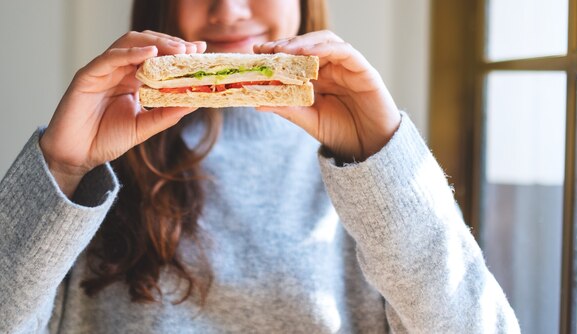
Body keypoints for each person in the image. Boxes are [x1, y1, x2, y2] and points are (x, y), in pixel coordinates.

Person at [0, 0, 520, 332]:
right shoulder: (96, 171)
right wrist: (61, 168)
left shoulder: (370, 173)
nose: (227, 9)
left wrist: (386, 159)